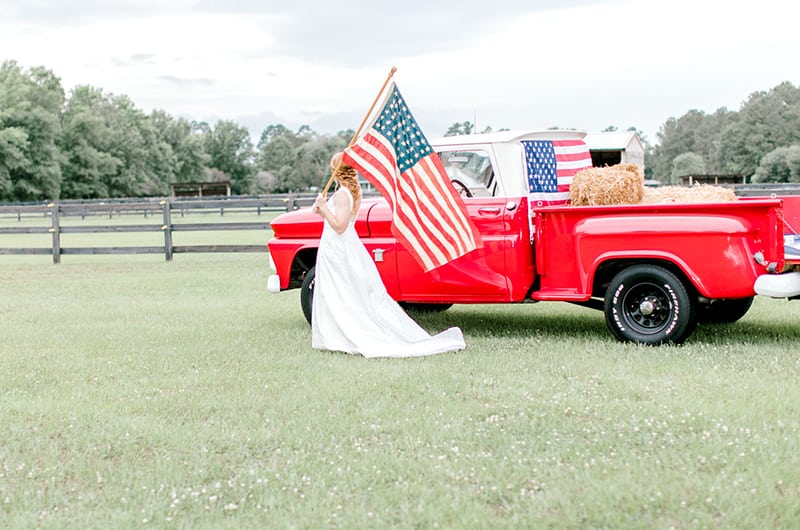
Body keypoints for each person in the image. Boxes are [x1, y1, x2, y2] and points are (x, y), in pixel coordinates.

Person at [310, 153, 466, 358]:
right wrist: (323, 210)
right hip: (345, 246)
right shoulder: (352, 193)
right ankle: (336, 332)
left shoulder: (341, 194)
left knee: (340, 290)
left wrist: (324, 209)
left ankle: (342, 334)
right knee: (343, 290)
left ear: (336, 171)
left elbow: (339, 226)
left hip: (339, 248)